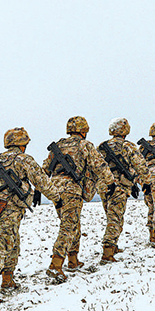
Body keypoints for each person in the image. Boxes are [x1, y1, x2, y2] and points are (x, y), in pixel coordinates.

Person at [0, 127, 61, 302]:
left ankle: (7, 280)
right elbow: (42, 182)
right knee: (4, 244)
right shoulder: (24, 160)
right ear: (22, 145)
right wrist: (57, 198)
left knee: (13, 243)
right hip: (10, 210)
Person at [42, 116, 115, 282]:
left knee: (72, 223)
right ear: (84, 131)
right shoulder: (85, 145)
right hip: (71, 190)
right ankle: (56, 264)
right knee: (68, 226)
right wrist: (110, 182)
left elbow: (45, 168)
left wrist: (40, 189)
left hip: (55, 189)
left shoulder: (58, 146)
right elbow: (99, 165)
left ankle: (73, 260)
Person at [97, 118, 149, 262]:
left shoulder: (102, 146)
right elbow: (141, 166)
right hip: (119, 185)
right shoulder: (128, 146)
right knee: (115, 217)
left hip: (103, 186)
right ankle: (108, 252)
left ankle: (112, 246)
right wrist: (146, 182)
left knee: (111, 215)